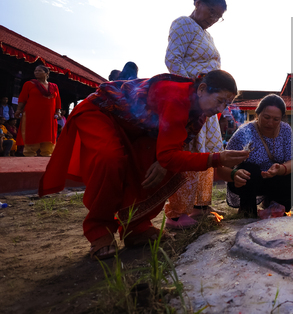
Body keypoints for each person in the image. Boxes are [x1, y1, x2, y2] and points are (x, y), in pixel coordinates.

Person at [39, 70, 249, 260]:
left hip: (139, 131)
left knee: (164, 168)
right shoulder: (176, 97)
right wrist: (216, 158)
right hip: (103, 113)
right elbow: (171, 155)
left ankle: (136, 227)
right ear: (202, 89)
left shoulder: (200, 110)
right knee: (110, 158)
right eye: (220, 101)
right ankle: (98, 229)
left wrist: (164, 161)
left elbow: (174, 149)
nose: (221, 109)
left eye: (226, 104)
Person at [164, 0, 227, 228]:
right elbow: (173, 61)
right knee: (189, 150)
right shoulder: (182, 24)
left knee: (206, 152)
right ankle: (178, 212)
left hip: (208, 102)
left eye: (217, 17)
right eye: (211, 12)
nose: (212, 19)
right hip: (192, 99)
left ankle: (200, 205)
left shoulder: (207, 35)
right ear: (197, 2)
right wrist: (198, 88)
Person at [224, 95, 293, 217]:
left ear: (281, 118)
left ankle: (274, 207)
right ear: (258, 114)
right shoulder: (245, 131)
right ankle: (247, 210)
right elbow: (225, 161)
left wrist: (279, 169)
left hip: (273, 179)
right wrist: (234, 174)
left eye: (276, 119)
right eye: (266, 117)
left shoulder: (285, 130)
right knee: (250, 169)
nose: (270, 123)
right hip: (246, 182)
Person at [14, 65, 61, 157]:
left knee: (48, 134)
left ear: (47, 73)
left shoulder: (54, 86)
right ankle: (29, 154)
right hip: (32, 114)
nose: (36, 72)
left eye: (39, 71)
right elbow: (22, 99)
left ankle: (47, 154)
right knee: (32, 132)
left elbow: (58, 101)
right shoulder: (29, 84)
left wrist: (58, 112)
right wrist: (18, 110)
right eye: (35, 71)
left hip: (49, 115)